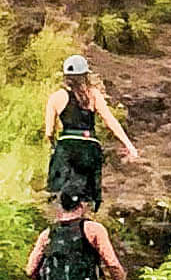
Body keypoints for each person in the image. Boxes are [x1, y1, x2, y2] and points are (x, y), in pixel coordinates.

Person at [44, 51, 138, 203]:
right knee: (87, 197)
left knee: (57, 194)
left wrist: (54, 146)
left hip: (66, 146)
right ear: (86, 75)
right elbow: (110, 120)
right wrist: (129, 145)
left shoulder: (56, 97)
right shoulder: (93, 95)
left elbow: (49, 132)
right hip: (89, 147)